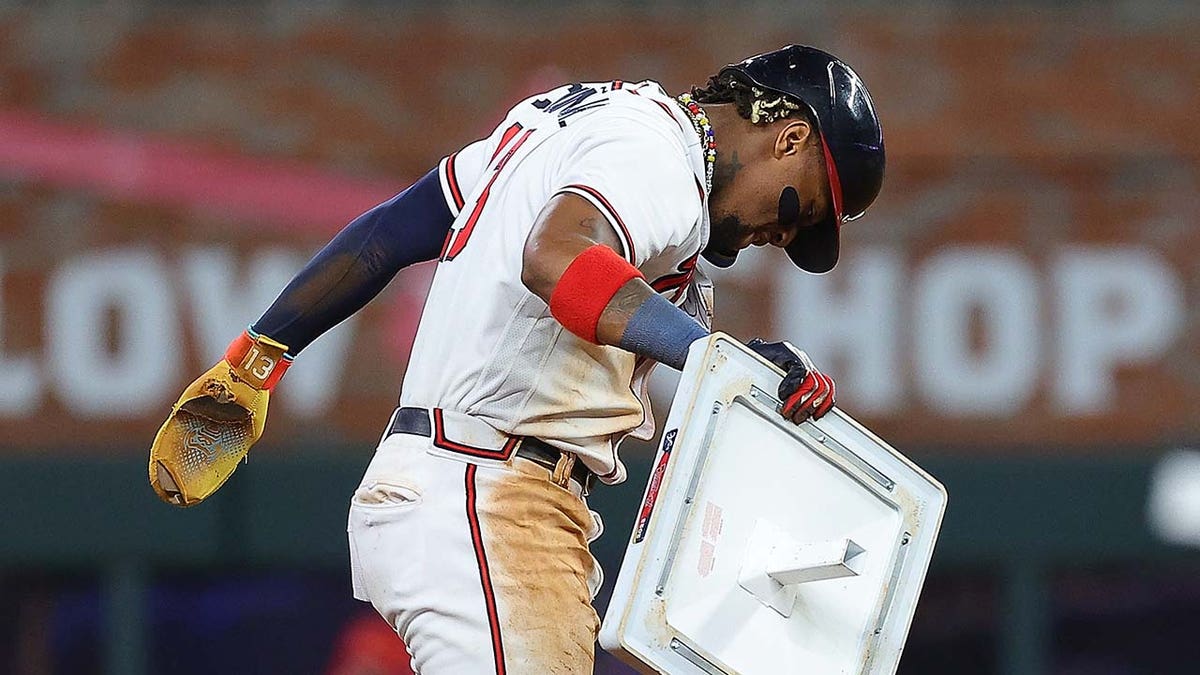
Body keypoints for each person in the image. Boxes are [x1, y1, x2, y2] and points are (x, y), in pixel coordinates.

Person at [160, 44, 885, 673]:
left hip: (475, 494)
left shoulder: (577, 120)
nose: (786, 236)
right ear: (788, 138)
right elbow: (558, 259)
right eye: (805, 210)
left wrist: (260, 353)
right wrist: (715, 358)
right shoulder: (658, 154)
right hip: (487, 497)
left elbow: (394, 231)